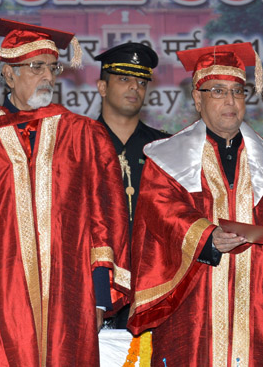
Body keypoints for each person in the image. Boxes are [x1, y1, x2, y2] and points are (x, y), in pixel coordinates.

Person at [127, 42, 263, 366]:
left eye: (237, 91)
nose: (230, 101)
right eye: (217, 91)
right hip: (191, 325)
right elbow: (161, 212)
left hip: (260, 322)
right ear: (197, 98)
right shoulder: (165, 160)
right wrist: (205, 236)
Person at [0, 19, 130, 366]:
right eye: (36, 67)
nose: (48, 77)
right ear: (9, 74)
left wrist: (97, 297)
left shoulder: (83, 137)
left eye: (53, 67)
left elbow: (103, 219)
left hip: (70, 296)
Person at [93, 42, 170, 328]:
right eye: (124, 79)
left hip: (154, 284)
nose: (134, 88)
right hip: (97, 284)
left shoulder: (165, 147)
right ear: (102, 87)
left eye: (141, 82)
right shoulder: (79, 144)